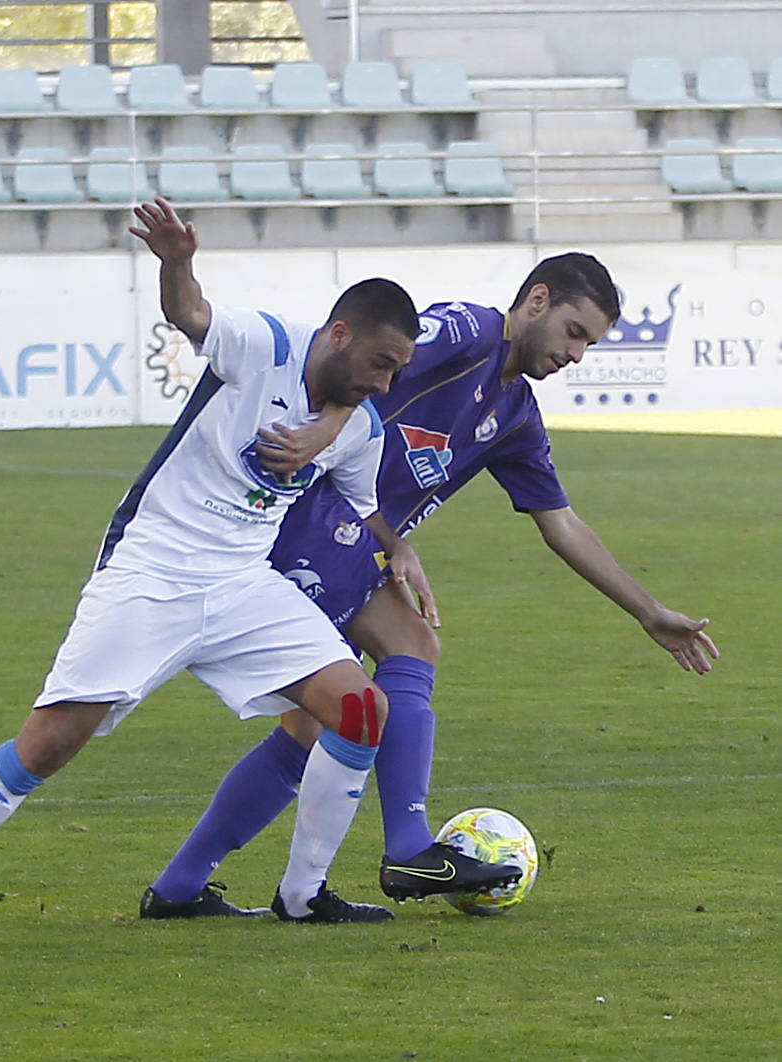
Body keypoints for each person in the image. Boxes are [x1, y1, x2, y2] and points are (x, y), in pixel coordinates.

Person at [0, 198, 520, 940]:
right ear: (338, 333)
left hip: (242, 585)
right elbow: (192, 314)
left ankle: (302, 896)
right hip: (153, 570)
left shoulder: (359, 426)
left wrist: (400, 548)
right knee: (51, 742)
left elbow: (363, 505)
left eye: (397, 371)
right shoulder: (264, 343)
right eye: (381, 364)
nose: (387, 383)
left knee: (361, 711)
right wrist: (176, 262)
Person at [139, 251, 720, 919]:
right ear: (536, 301)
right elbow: (368, 364)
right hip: (313, 511)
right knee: (407, 646)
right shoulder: (468, 331)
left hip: (355, 535)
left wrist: (648, 612)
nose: (578, 354)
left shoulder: (515, 414)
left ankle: (184, 889)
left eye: (589, 342)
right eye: (575, 332)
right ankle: (405, 848)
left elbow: (561, 524)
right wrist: (333, 433)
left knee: (310, 730)